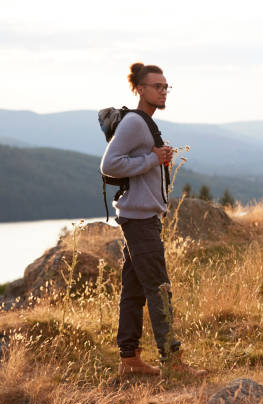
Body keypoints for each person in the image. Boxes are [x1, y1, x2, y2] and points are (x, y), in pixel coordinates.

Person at [100, 63, 206, 377]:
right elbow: (109, 164)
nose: (162, 91)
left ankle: (130, 359)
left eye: (165, 86)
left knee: (133, 291)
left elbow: (138, 165)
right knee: (159, 289)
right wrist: (152, 159)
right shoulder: (134, 122)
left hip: (141, 218)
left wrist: (157, 160)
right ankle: (173, 363)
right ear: (140, 89)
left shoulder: (145, 122)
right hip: (139, 221)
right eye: (156, 86)